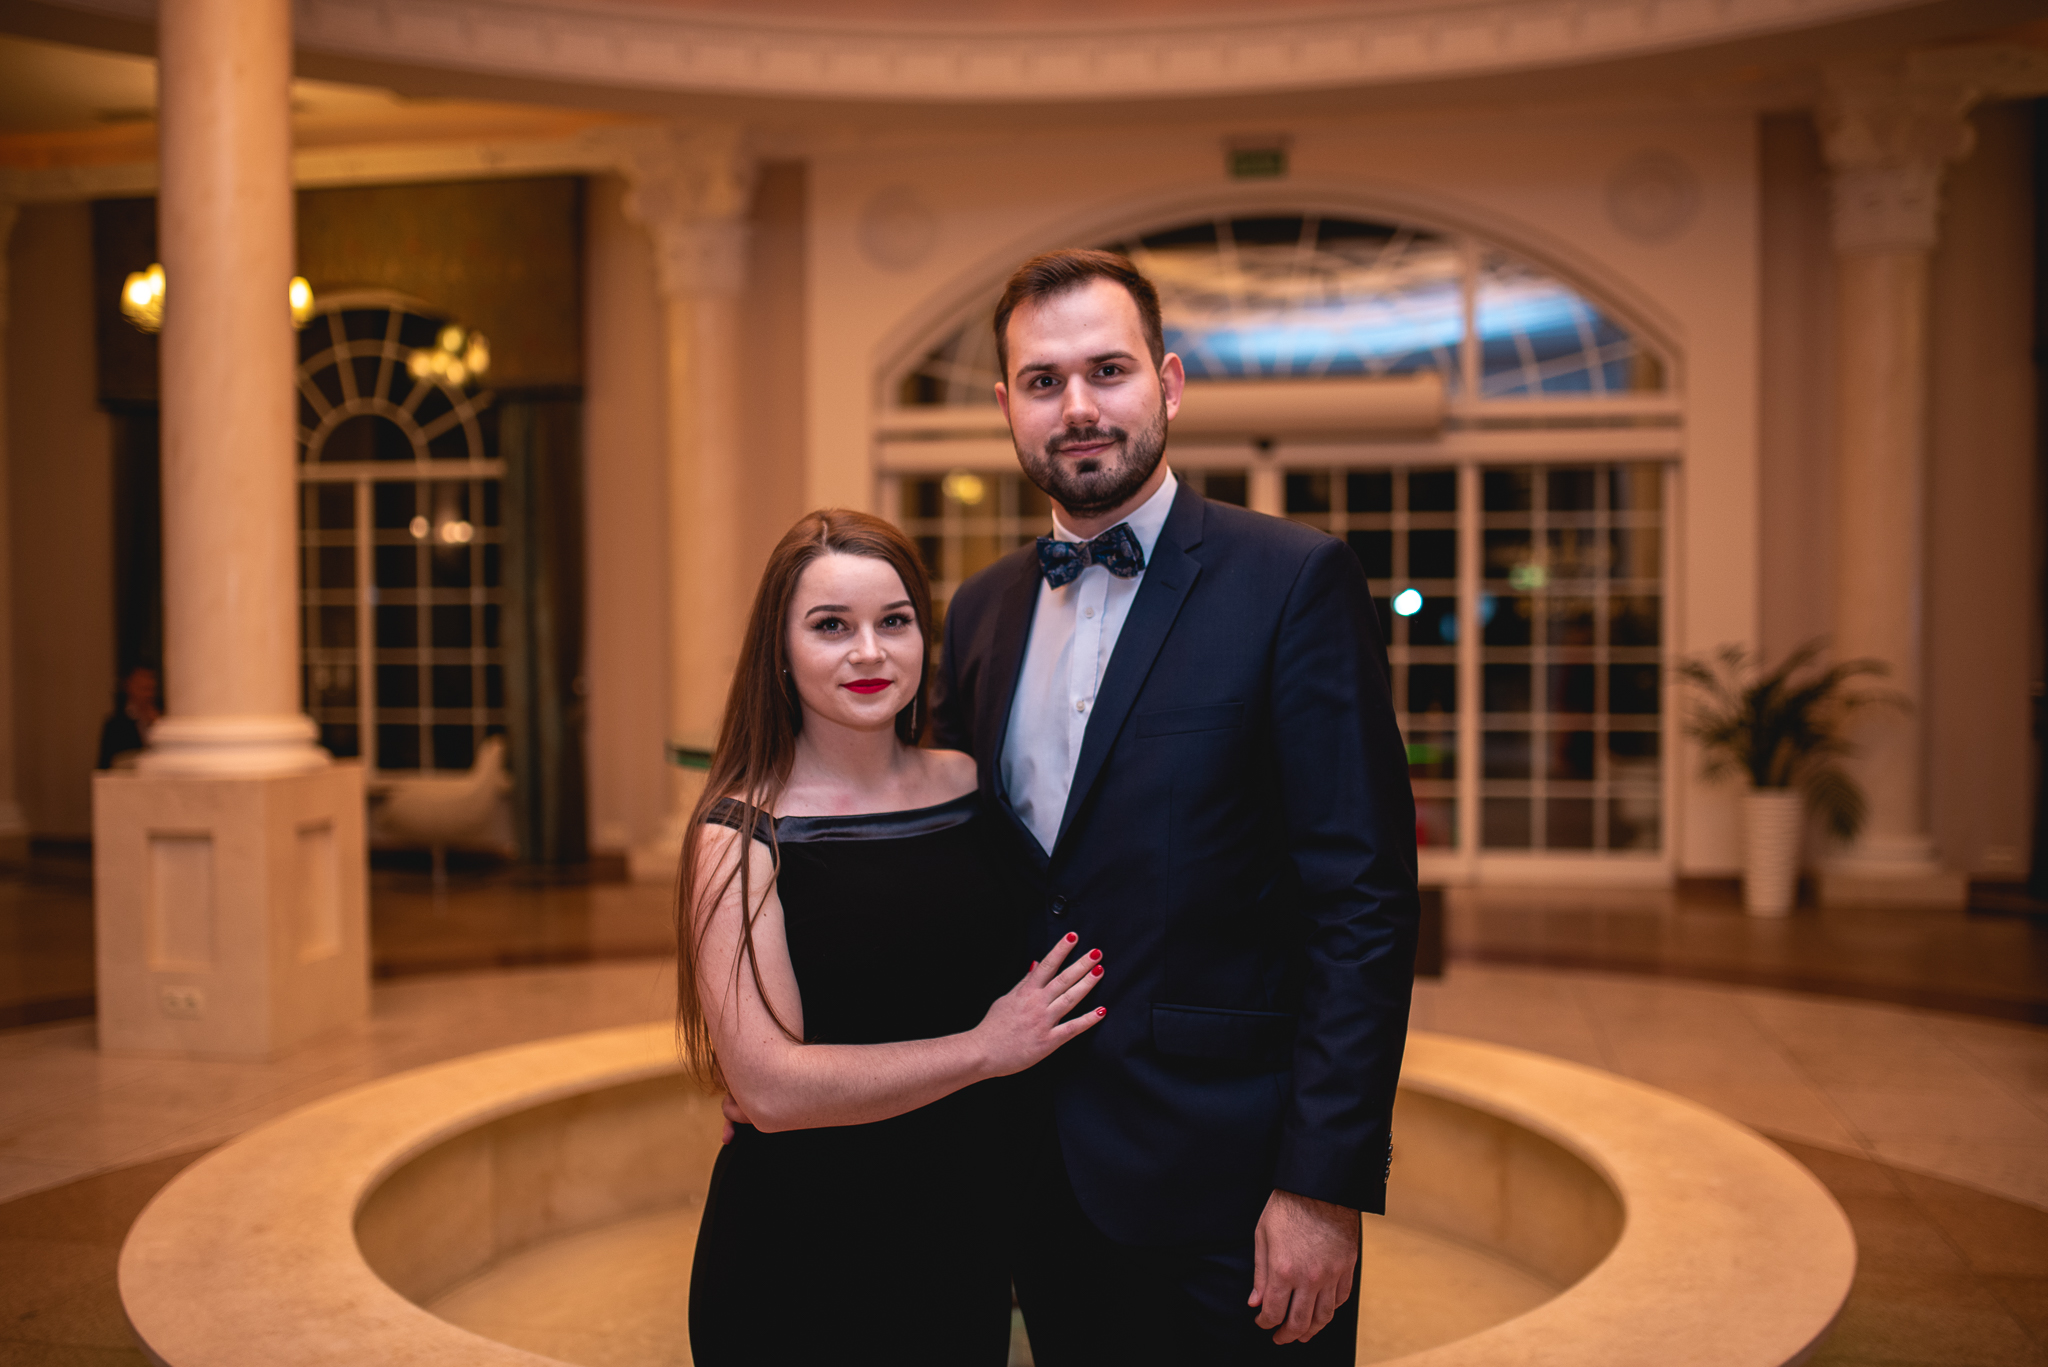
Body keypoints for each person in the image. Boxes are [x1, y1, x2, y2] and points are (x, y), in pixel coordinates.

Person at [930, 249, 1420, 1364]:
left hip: (1232, 1184)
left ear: (1168, 382)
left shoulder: (1292, 582)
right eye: (1043, 380)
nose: (1078, 406)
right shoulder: (980, 611)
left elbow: (1362, 905)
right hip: (1039, 1172)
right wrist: (794, 1052)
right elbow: (954, 881)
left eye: (1106, 370)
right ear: (1006, 407)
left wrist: (1320, 1184)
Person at [681, 509, 1105, 1366]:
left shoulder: (970, 785)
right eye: (831, 626)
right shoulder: (739, 832)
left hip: (958, 1237)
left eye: (895, 620)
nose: (869, 652)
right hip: (801, 1249)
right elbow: (769, 1089)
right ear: (780, 649)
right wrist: (985, 1048)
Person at [96, 665, 160, 769]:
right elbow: (106, 765)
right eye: (142, 686)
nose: (148, 682)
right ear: (128, 684)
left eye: (151, 678)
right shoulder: (115, 724)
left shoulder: (162, 719)